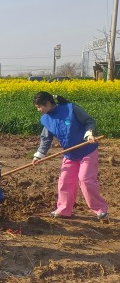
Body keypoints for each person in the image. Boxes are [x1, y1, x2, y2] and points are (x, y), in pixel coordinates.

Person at [32, 92, 108, 220]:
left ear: (47, 103)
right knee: (65, 181)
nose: (38, 110)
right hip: (70, 154)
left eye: (39, 107)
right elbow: (46, 139)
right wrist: (39, 155)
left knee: (85, 179)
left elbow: (88, 121)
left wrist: (89, 133)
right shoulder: (46, 119)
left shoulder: (71, 108)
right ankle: (63, 209)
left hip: (87, 150)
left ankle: (100, 210)